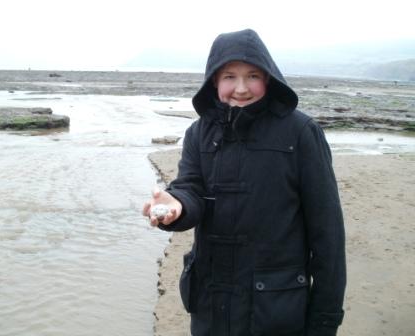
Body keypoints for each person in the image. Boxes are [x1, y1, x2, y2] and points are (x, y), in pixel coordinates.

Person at [143, 28, 346, 336]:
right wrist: (177, 205)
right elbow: (191, 189)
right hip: (211, 306)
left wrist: (324, 320)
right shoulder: (199, 133)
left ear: (268, 77)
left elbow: (328, 233)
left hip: (275, 310)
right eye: (229, 77)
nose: (240, 88)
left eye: (252, 75)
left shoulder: (300, 132)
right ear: (214, 80)